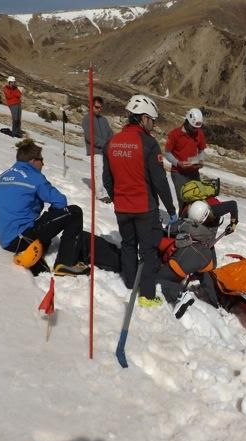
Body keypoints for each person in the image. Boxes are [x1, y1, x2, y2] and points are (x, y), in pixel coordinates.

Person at [103, 94, 177, 307]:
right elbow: (160, 181)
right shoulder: (149, 143)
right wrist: (171, 208)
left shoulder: (112, 142)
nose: (153, 125)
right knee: (148, 251)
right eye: (152, 120)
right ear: (144, 118)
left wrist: (118, 199)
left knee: (128, 244)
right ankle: (147, 295)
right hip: (144, 207)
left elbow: (107, 179)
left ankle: (129, 282)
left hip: (123, 207)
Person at [0, 138, 90, 276]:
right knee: (74, 212)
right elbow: (61, 201)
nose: (43, 163)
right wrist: (50, 217)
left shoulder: (1, 177)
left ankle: (35, 255)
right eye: (41, 160)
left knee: (42, 232)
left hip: (4, 239)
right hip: (21, 238)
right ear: (33, 161)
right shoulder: (34, 177)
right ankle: (66, 263)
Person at [158, 198, 238, 318]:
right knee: (205, 275)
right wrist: (233, 222)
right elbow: (232, 204)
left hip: (183, 260)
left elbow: (166, 232)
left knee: (152, 280)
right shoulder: (211, 214)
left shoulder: (184, 224)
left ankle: (180, 294)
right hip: (205, 255)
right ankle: (216, 303)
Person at [164, 108, 207, 211]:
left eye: (197, 128)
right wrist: (178, 163)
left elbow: (202, 151)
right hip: (178, 172)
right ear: (187, 122)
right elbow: (167, 153)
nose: (195, 130)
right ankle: (182, 221)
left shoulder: (199, 133)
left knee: (198, 197)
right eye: (193, 127)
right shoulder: (174, 134)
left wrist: (200, 161)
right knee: (183, 200)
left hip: (193, 172)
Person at [82, 96, 114, 203]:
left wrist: (112, 143)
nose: (99, 109)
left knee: (107, 173)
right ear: (91, 106)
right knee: (99, 171)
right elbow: (89, 136)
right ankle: (100, 194)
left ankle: (107, 192)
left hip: (106, 151)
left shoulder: (104, 120)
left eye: (100, 108)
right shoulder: (87, 119)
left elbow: (110, 134)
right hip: (95, 151)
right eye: (97, 107)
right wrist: (105, 144)